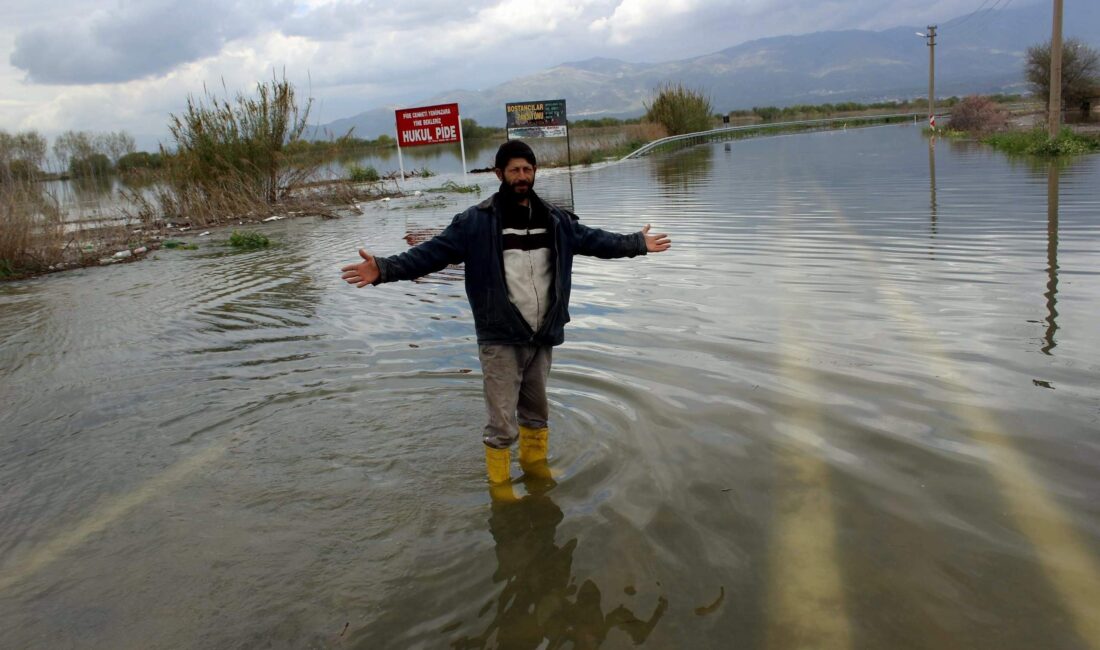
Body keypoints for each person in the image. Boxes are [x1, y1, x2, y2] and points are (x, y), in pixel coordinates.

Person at [340, 140, 671, 500]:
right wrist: (385, 268)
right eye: (514, 170)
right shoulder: (475, 223)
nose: (521, 176)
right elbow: (429, 255)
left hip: (541, 333)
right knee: (501, 423)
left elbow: (596, 241)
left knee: (537, 413)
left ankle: (535, 470)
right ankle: (500, 490)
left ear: (534, 173)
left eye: (527, 170)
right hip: (500, 337)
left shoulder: (556, 220)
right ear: (499, 174)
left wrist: (637, 243)